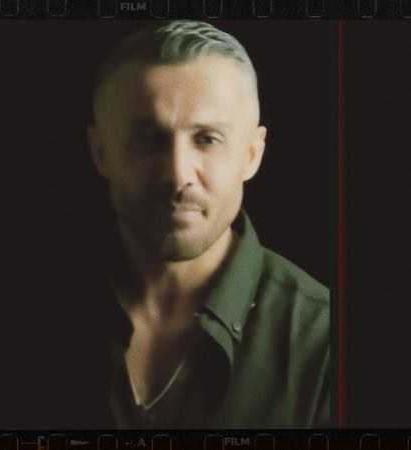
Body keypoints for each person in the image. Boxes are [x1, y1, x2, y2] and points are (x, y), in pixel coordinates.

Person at [87, 20, 330, 429]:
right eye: (149, 139)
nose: (177, 174)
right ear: (100, 153)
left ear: (252, 154)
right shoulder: (27, 317)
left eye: (207, 139)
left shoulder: (326, 344)